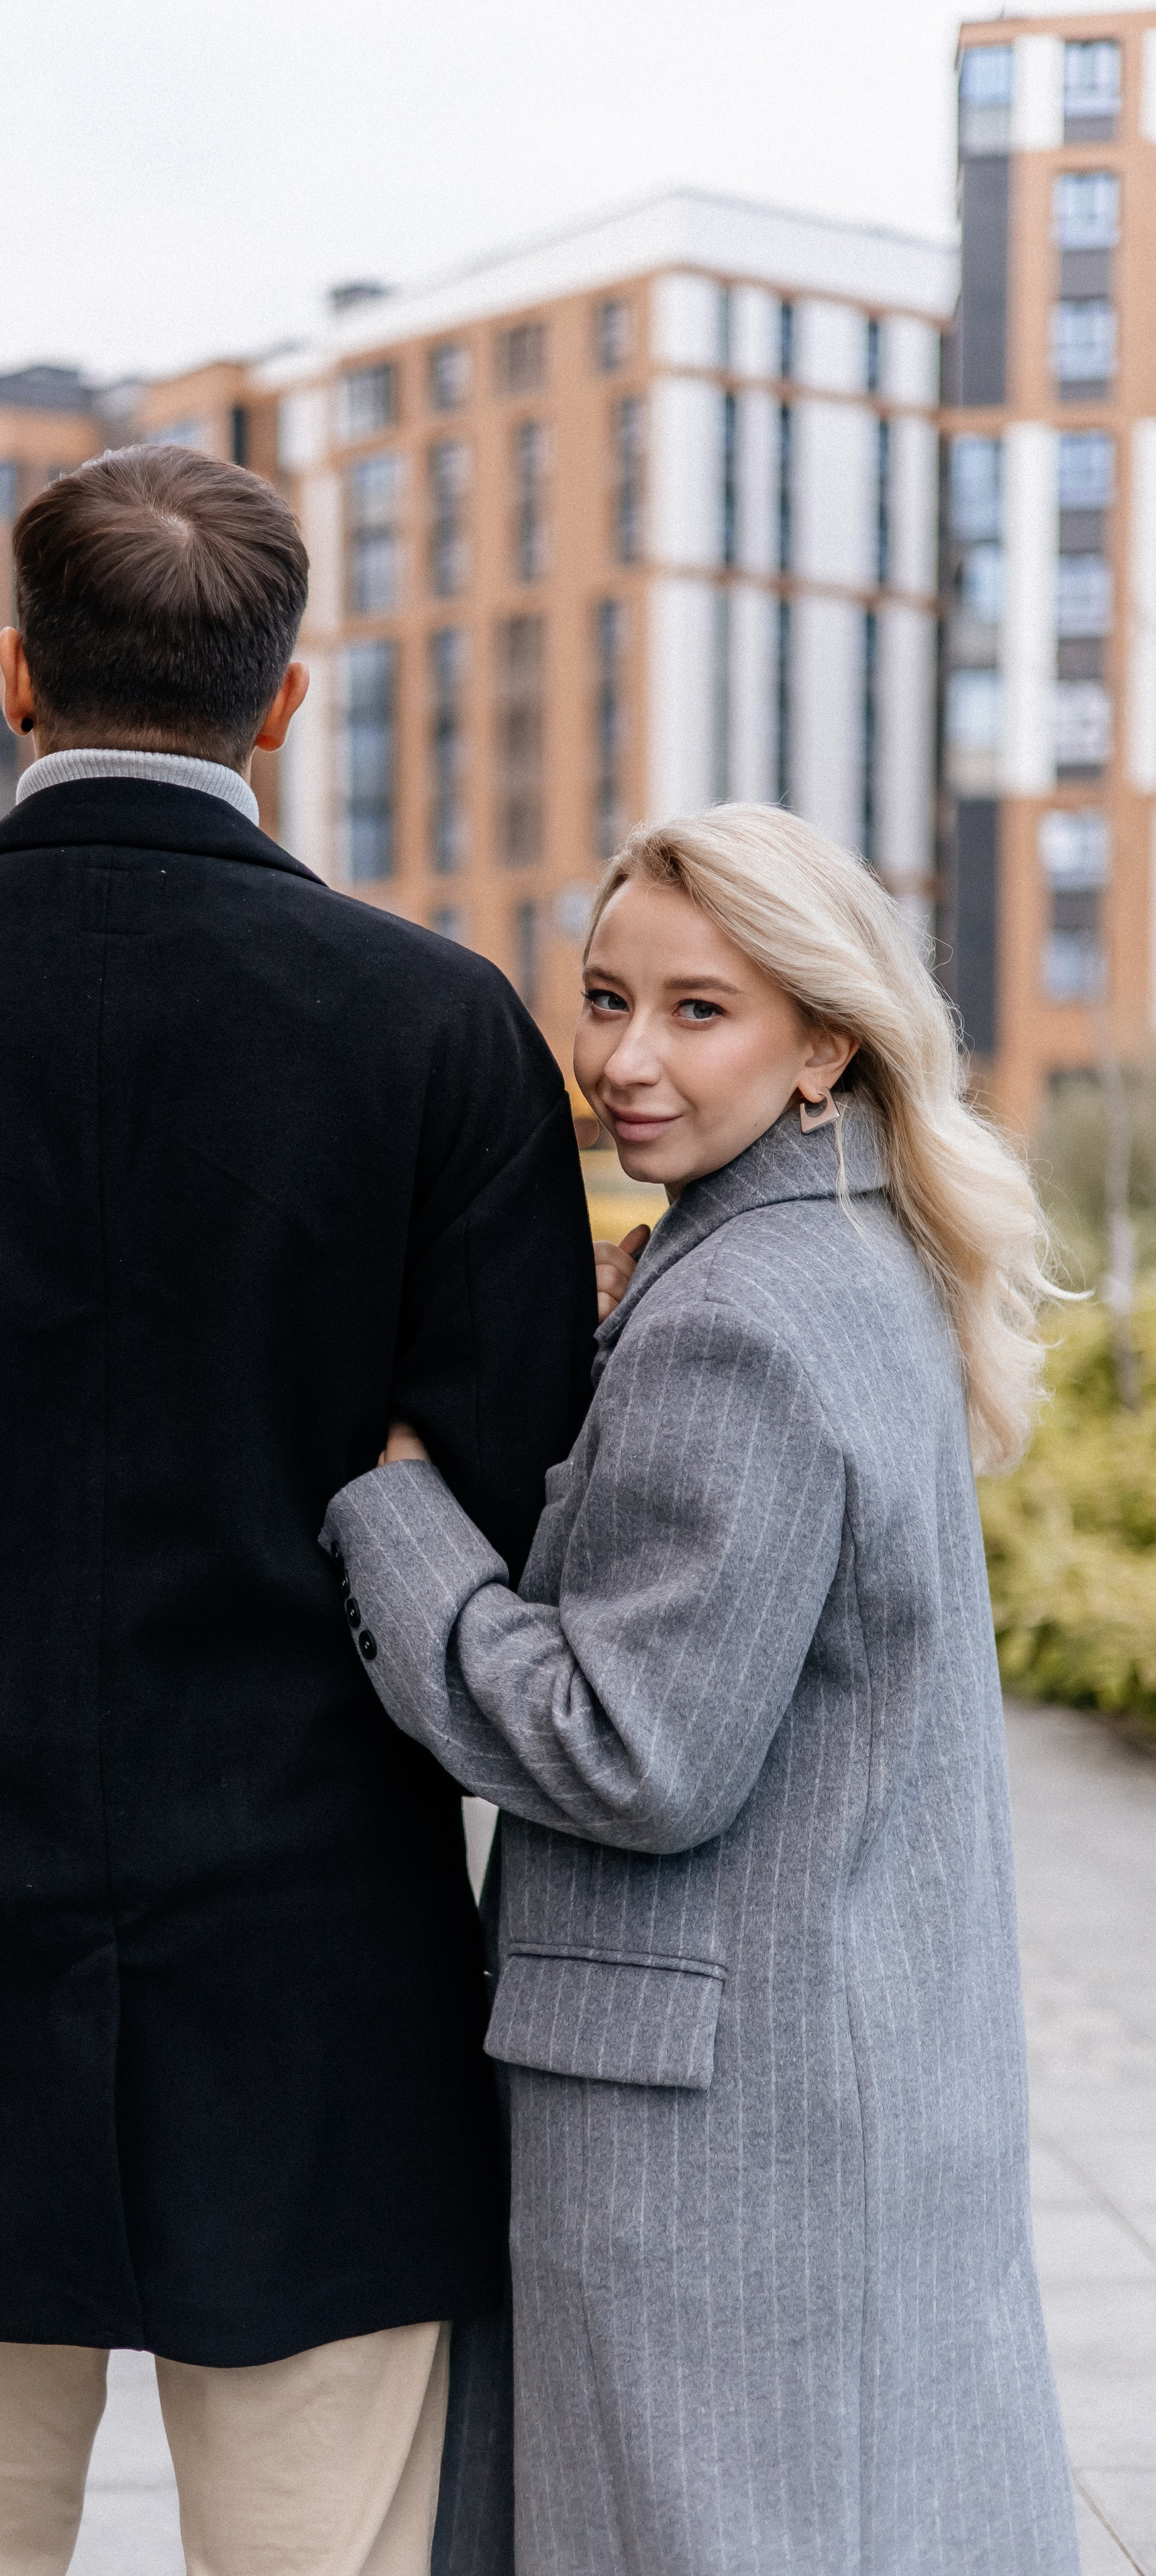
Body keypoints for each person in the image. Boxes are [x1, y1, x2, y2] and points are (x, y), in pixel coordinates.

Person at [0, 443, 594, 2575]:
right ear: (288, 701)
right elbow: (516, 1479)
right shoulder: (437, 1032)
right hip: (327, 1941)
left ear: (10, 678)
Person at [325, 805, 1079, 2576]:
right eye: (604, 999)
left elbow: (635, 1749)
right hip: (827, 2069)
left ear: (827, 1040)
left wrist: (396, 1505)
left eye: (697, 1012)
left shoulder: (744, 1311)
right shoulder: (830, 1260)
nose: (623, 1060)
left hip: (712, 2129)